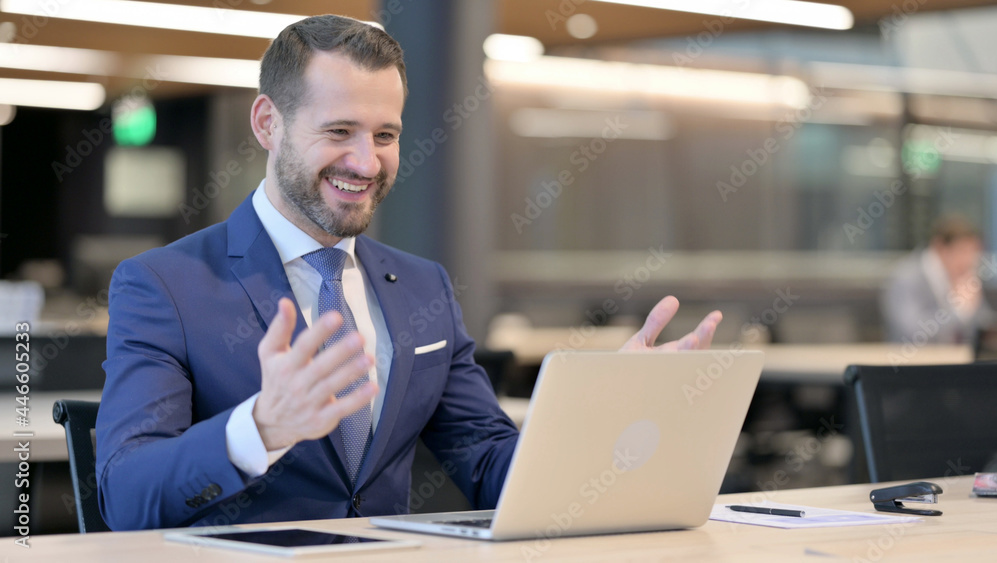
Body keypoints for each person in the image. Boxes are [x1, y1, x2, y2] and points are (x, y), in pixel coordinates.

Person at [95, 14, 722, 531]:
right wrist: (260, 428)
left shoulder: (422, 286)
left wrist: (611, 409)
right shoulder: (164, 285)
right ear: (268, 123)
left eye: (385, 134)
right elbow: (126, 498)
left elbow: (491, 464)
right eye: (339, 130)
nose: (366, 162)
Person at [881, 215, 994, 345]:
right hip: (912, 362)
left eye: (974, 252)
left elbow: (985, 327)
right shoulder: (906, 277)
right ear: (940, 247)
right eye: (962, 251)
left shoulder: (965, 277)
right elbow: (912, 333)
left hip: (955, 361)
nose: (969, 260)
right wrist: (958, 312)